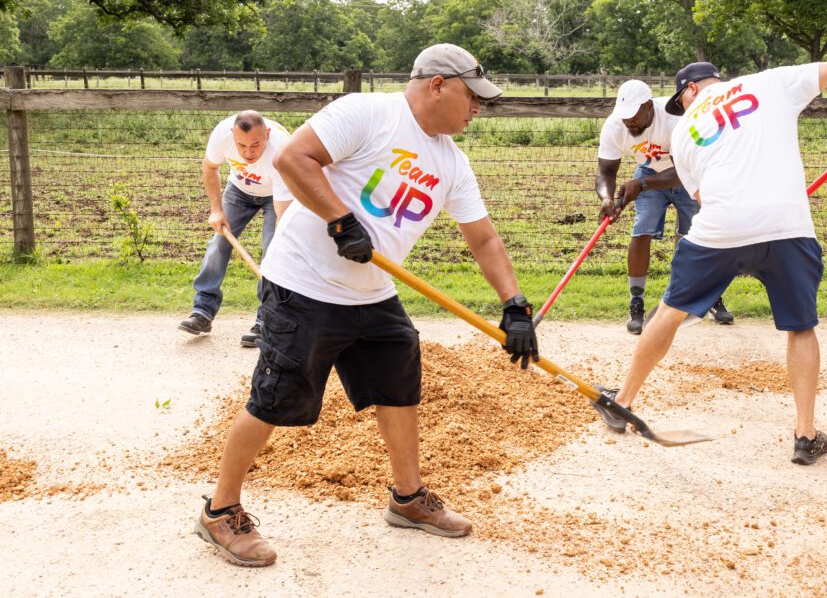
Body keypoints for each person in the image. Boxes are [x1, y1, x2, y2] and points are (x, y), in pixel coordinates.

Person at [194, 44, 540, 567]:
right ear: (438, 85)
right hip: (303, 286)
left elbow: (484, 239)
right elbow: (292, 159)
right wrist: (339, 218)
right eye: (473, 97)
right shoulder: (368, 113)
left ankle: (407, 500)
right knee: (274, 398)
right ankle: (220, 512)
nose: (478, 109)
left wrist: (514, 304)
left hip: (373, 292)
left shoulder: (451, 160)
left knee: (398, 387)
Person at [590, 60, 827, 466]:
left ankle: (621, 405)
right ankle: (805, 435)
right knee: (801, 328)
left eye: (681, 100)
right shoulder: (769, 82)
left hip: (721, 226)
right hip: (787, 225)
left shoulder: (687, 132)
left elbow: (703, 197)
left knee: (669, 313)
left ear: (690, 90)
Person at [596, 79, 732, 334]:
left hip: (687, 175)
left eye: (634, 117)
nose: (629, 123)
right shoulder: (615, 126)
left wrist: (643, 184)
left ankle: (708, 297)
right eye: (625, 118)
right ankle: (636, 302)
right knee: (642, 229)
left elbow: (685, 169)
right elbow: (606, 171)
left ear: (649, 106)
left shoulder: (675, 118)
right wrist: (606, 197)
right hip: (647, 174)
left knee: (697, 237)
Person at [178, 111, 293, 347]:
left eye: (255, 145)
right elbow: (210, 167)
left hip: (277, 196)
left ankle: (266, 320)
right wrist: (216, 210)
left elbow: (283, 212)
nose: (248, 152)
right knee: (218, 244)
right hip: (239, 191)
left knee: (272, 251)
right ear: (233, 135)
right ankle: (202, 310)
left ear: (267, 134)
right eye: (241, 145)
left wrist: (282, 236)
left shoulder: (282, 149)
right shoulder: (222, 134)